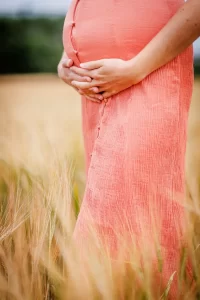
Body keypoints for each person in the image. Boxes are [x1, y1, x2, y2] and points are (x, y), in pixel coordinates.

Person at [58, 0, 200, 297]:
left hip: (149, 71)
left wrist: (136, 68)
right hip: (97, 88)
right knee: (129, 234)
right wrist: (68, 59)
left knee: (115, 228)